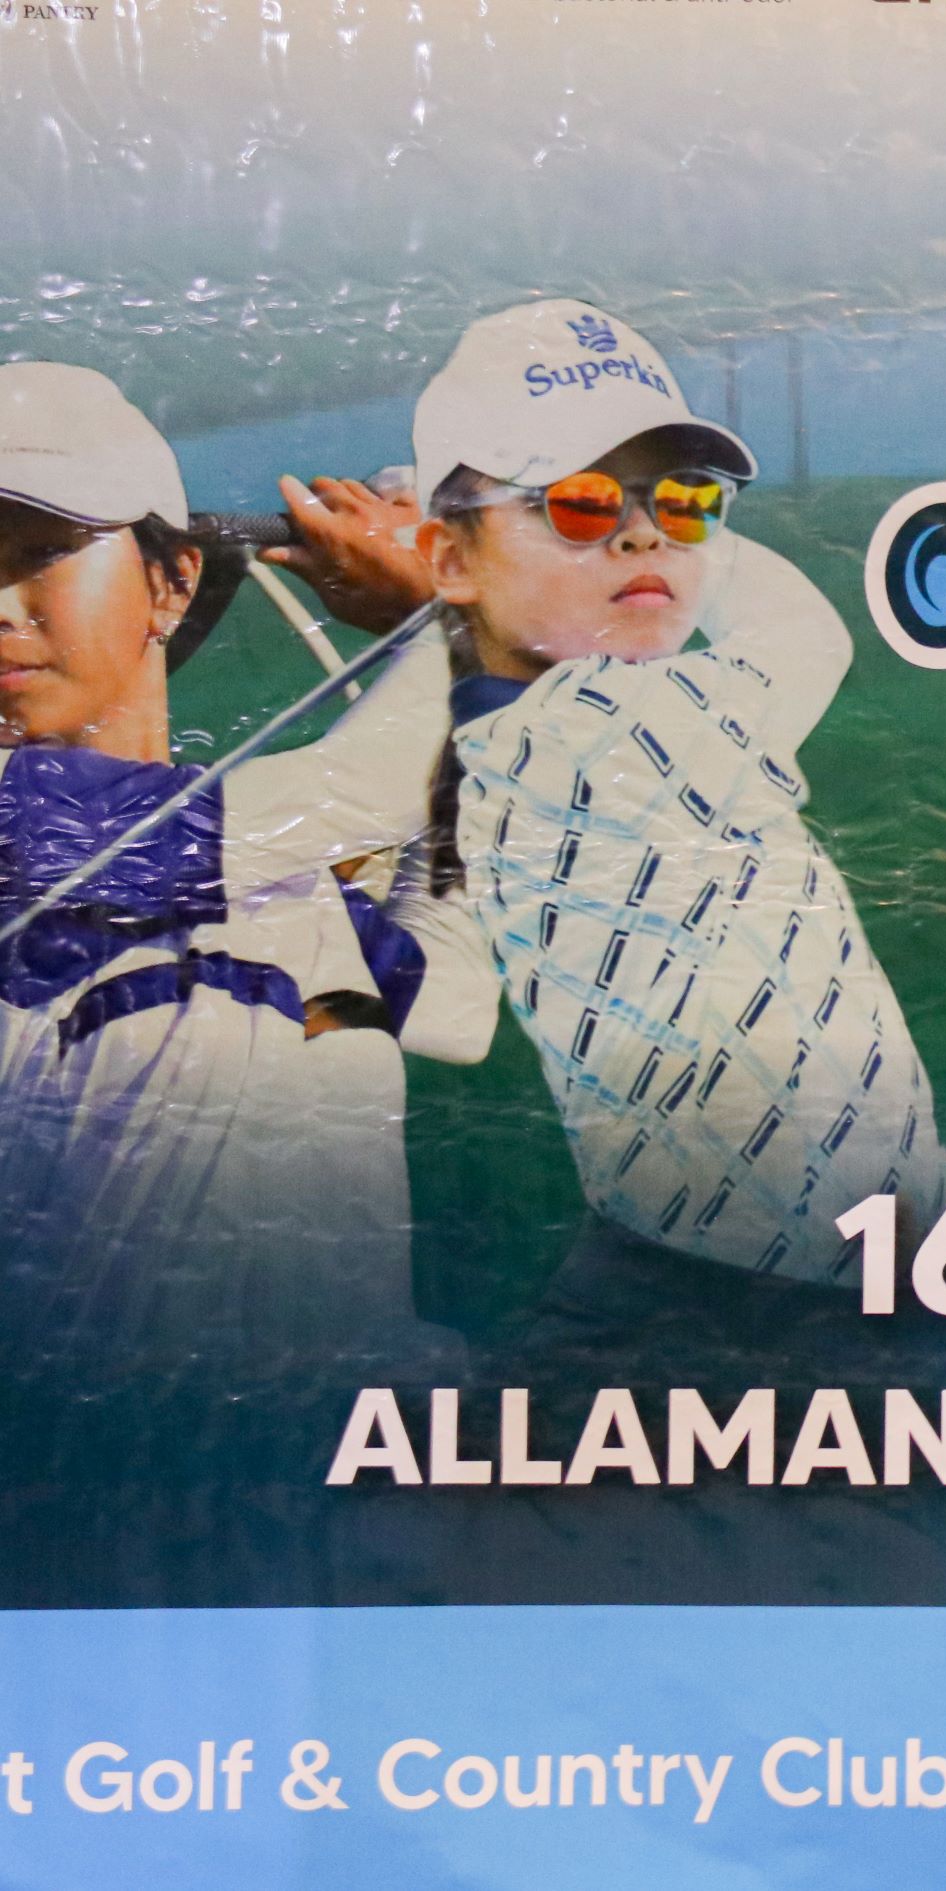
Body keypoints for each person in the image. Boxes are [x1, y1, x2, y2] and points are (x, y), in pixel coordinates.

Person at [410, 298, 946, 1321]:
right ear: (448, 560)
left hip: (749, 1279)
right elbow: (805, 630)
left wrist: (473, 540)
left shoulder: (542, 727)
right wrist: (672, 537)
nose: (641, 532)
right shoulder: (588, 730)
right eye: (578, 503)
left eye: (686, 500)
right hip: (746, 1309)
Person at [0, 362, 483, 1376]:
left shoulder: (279, 872)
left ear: (172, 584)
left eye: (40, 552)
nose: (0, 604)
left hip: (334, 1467)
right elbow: (361, 785)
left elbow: (453, 1005)